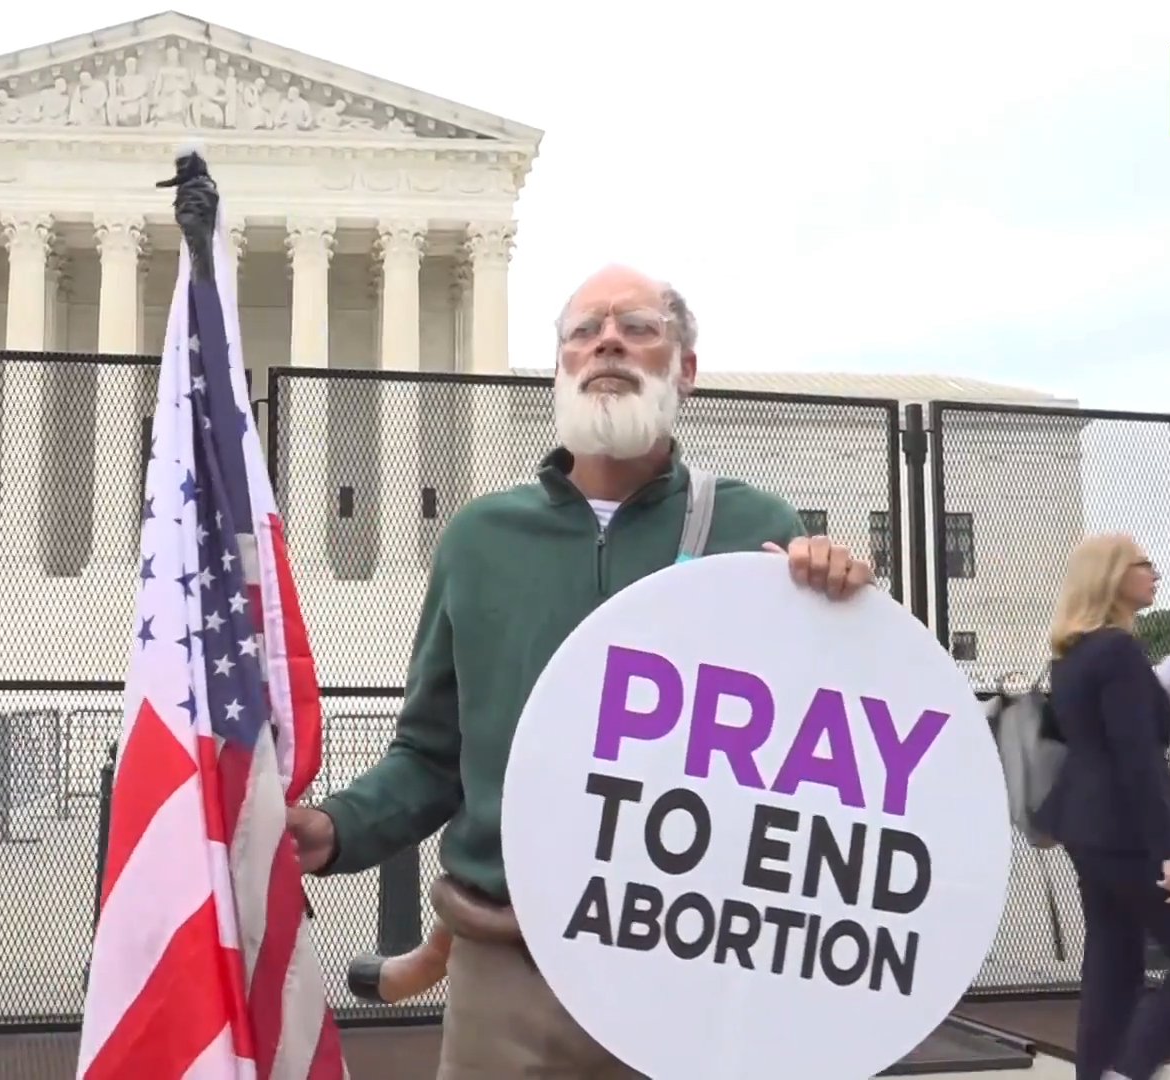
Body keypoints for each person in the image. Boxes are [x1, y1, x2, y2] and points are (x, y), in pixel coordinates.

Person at [287, 263, 876, 1078]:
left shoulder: (757, 531)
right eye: (584, 330)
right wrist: (340, 826)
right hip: (507, 968)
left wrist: (845, 610)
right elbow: (433, 754)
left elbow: (825, 761)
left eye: (638, 327)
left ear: (686, 370)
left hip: (696, 964)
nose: (608, 340)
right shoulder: (477, 540)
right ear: (559, 367)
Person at [1034, 533, 1170, 1080]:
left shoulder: (1072, 655)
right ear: (1113, 576)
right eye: (1144, 564)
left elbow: (1097, 736)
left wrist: (1157, 702)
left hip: (1083, 827)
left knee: (1113, 963)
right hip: (1125, 832)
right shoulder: (1118, 651)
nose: (1154, 572)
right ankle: (1130, 1069)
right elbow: (1138, 760)